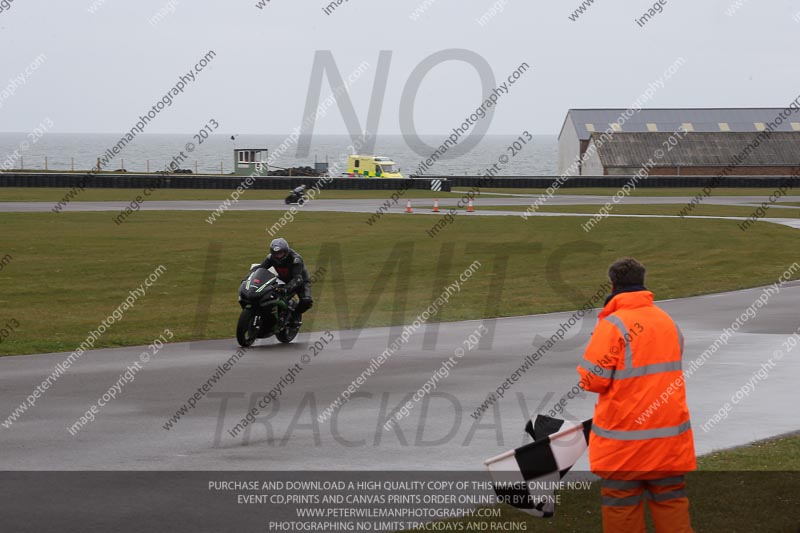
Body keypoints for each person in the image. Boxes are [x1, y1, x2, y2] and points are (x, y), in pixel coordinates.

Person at [577, 258, 695, 533]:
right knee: (671, 501)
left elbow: (593, 380)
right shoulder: (666, 321)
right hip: (668, 438)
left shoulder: (613, 325)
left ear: (612, 284)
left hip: (625, 441)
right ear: (643, 282)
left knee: (621, 504)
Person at [257, 238, 313, 327]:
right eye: (276, 253)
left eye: (281, 253)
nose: (278, 256)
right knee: (268, 294)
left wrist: (286, 289)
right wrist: (249, 278)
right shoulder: (270, 258)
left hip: (300, 281)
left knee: (307, 301)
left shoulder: (296, 260)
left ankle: (295, 316)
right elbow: (260, 269)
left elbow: (298, 278)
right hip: (282, 280)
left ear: (286, 251)